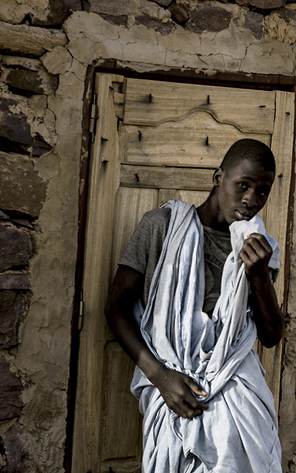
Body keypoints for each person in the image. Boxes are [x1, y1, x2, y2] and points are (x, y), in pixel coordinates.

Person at [107, 138, 284, 472]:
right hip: (175, 388)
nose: (250, 199)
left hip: (238, 397)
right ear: (219, 177)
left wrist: (259, 275)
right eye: (242, 185)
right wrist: (159, 376)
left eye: (262, 191)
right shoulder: (162, 227)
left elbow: (272, 336)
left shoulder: (258, 248)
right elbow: (115, 308)